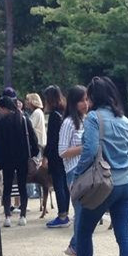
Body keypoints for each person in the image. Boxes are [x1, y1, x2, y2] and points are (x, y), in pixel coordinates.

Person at [60, 76, 128, 256]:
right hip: (126, 184)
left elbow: (90, 150)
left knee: (84, 230)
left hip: (104, 185)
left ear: (94, 97)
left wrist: (77, 176)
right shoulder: (123, 120)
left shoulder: (94, 118)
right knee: (124, 235)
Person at [0, 94, 38, 227]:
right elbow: (33, 139)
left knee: (7, 187)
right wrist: (34, 153)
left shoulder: (2, 123)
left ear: (4, 108)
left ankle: (7, 216)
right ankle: (23, 215)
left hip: (7, 159)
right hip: (23, 158)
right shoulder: (24, 119)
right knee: (22, 186)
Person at [58, 85, 88, 248]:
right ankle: (77, 247)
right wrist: (85, 148)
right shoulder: (69, 123)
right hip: (74, 172)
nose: (85, 103)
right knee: (81, 212)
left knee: (84, 212)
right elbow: (62, 151)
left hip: (85, 170)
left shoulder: (85, 120)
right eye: (82, 100)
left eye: (86, 99)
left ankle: (76, 245)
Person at [42, 85, 70, 228]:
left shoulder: (54, 116)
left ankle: (62, 215)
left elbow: (52, 139)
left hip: (56, 155)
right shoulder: (65, 112)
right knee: (65, 184)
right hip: (66, 153)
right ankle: (65, 212)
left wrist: (45, 156)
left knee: (58, 184)